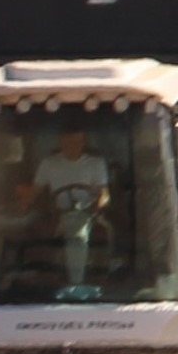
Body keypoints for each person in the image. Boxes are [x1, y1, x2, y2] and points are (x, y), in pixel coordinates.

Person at [27, 126, 111, 295]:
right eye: (68, 141)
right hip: (55, 213)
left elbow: (104, 194)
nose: (73, 145)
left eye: (77, 141)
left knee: (77, 232)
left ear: (83, 142)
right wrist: (22, 206)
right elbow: (34, 192)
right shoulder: (49, 163)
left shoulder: (96, 163)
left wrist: (98, 205)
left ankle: (76, 285)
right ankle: (41, 275)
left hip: (87, 213)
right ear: (61, 141)